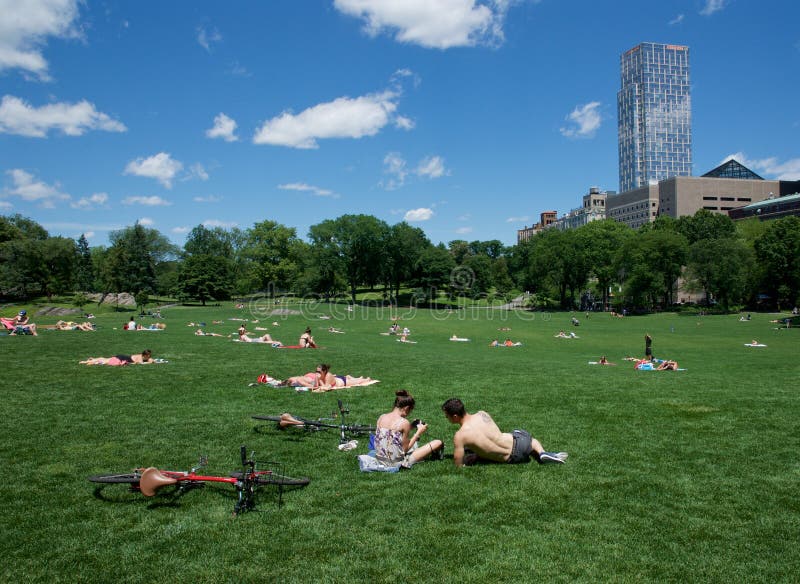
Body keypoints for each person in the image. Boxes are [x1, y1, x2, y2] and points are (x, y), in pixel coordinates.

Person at [441, 398, 566, 467]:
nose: (447, 418)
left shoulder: (460, 436)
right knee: (524, 436)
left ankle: (543, 454)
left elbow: (458, 464)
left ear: (455, 416)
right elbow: (493, 434)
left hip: (513, 459)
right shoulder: (482, 414)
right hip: (520, 443)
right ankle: (542, 452)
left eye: (447, 416)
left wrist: (471, 459)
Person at [374, 390, 444, 468]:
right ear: (406, 408)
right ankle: (435, 454)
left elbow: (390, 434)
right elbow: (405, 450)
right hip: (395, 463)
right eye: (410, 411)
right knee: (438, 442)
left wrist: (410, 427)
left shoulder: (381, 417)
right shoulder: (404, 422)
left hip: (379, 460)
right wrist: (418, 433)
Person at [80, 349, 154, 366]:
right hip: (121, 358)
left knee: (104, 358)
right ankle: (89, 362)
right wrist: (149, 362)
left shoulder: (141, 355)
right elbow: (141, 363)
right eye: (149, 355)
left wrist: (149, 360)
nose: (150, 356)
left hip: (121, 356)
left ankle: (90, 360)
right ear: (145, 355)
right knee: (105, 361)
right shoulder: (140, 357)